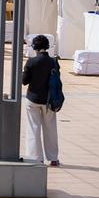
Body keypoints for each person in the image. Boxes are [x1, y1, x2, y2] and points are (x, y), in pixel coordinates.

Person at [22, 35, 60, 166]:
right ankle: (53, 157)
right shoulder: (53, 62)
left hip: (33, 99)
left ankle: (36, 157)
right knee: (50, 128)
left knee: (33, 128)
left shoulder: (31, 62)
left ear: (34, 47)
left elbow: (24, 81)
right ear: (47, 46)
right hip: (49, 100)